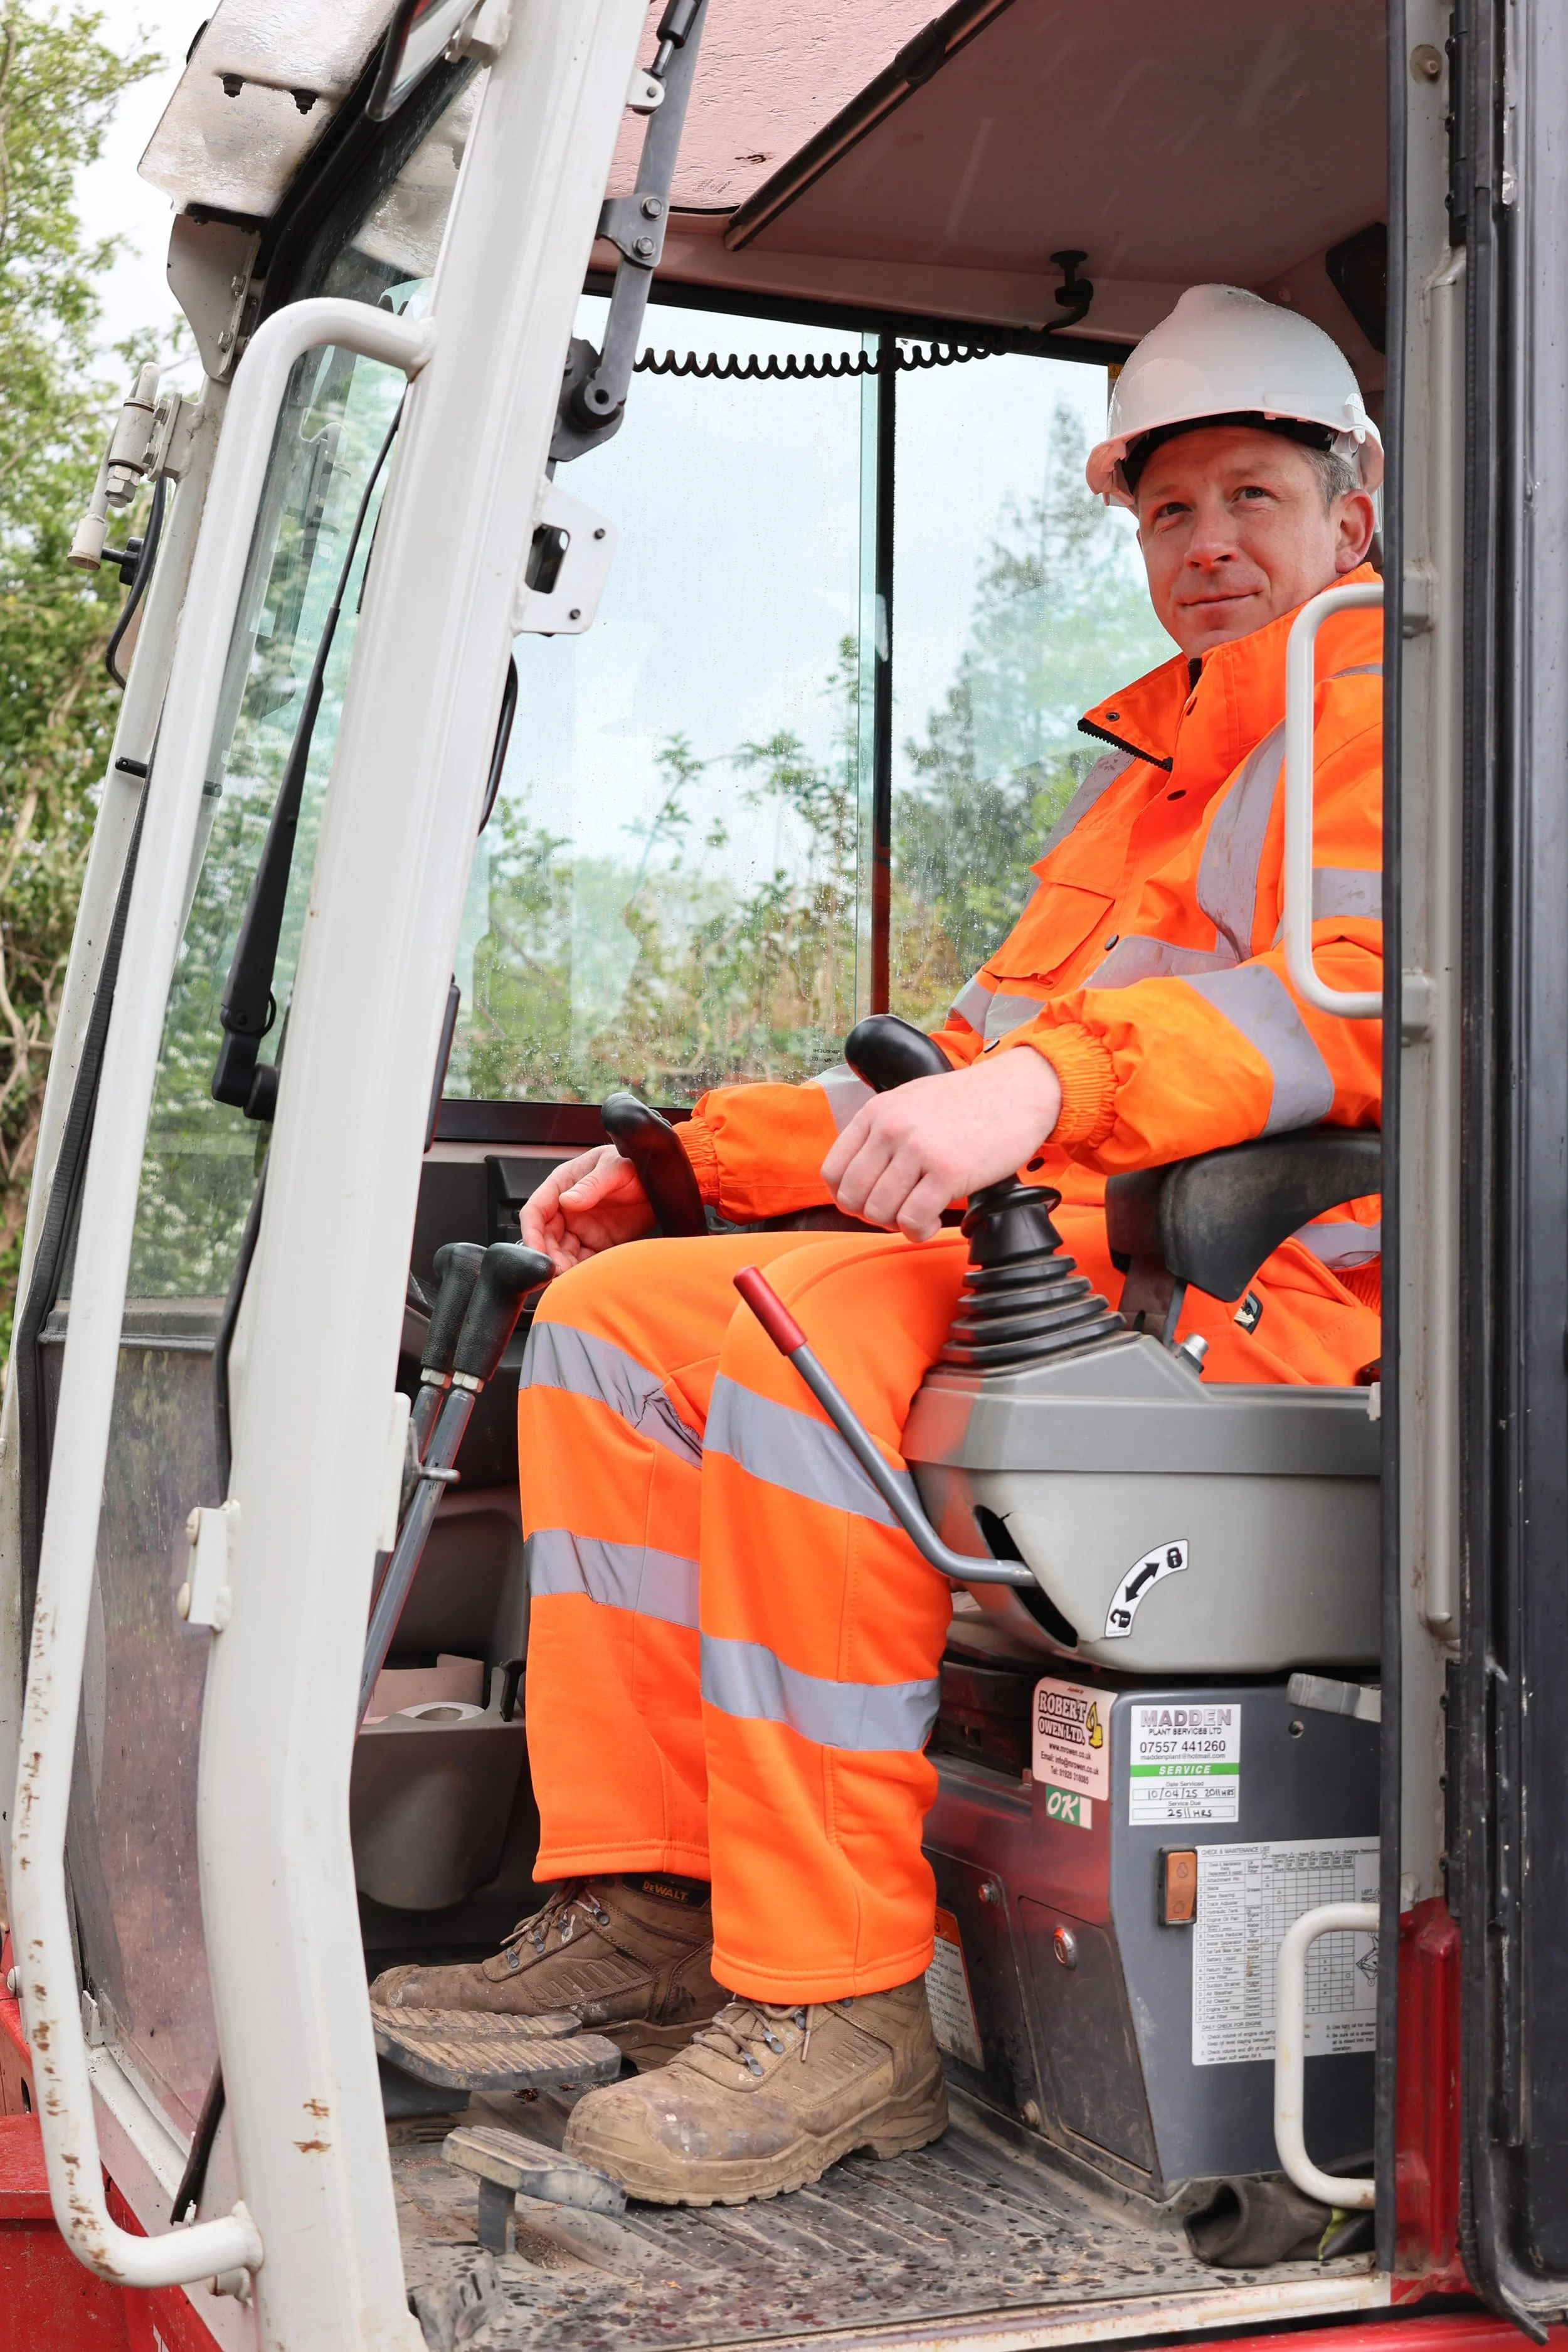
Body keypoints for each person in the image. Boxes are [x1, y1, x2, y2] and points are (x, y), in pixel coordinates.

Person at [371, 286, 1385, 2205]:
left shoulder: (1384, 695)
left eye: (1251, 493)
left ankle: (836, 2004)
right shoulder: (1153, 765)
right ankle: (659, 1896)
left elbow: (1343, 1007)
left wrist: (1036, 1100)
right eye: (1168, 514)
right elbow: (976, 1064)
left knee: (784, 1347)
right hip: (1073, 1253)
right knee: (615, 1322)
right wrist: (687, 1167)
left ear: (1356, 509)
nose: (1210, 546)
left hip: (1259, 1290)